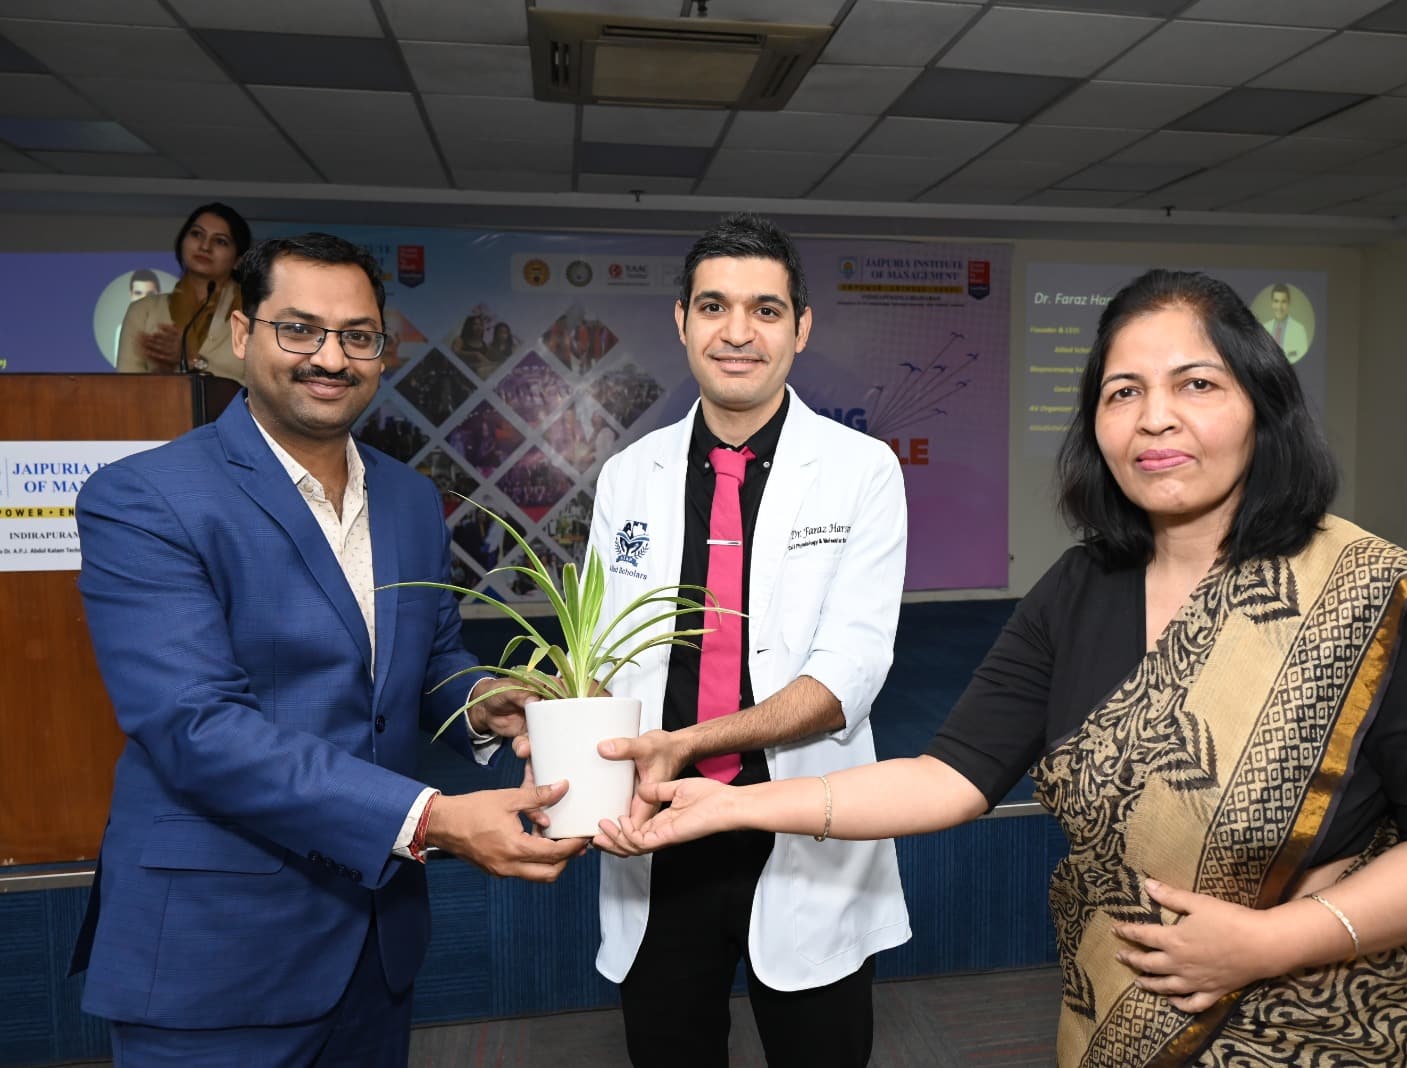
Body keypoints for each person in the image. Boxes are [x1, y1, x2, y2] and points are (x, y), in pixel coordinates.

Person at [601, 268, 1407, 1067]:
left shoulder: (1365, 595)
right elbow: (949, 777)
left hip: (1327, 1024)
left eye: (1196, 383)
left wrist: (1266, 942)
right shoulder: (1081, 586)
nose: (1154, 419)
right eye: (1122, 392)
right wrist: (735, 803)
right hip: (1115, 1013)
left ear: (1263, 406)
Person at [72, 232, 587, 1066]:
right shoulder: (146, 499)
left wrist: (484, 705)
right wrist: (433, 821)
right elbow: (196, 725)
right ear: (242, 335)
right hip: (219, 953)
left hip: (374, 943)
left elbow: (428, 663)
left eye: (357, 336)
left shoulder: (410, 496)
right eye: (299, 329)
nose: (331, 358)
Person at [552, 212, 912, 1066]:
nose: (738, 332)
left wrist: (685, 744)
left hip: (798, 820)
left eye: (766, 309)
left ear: (801, 328)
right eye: (714, 307)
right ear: (681, 321)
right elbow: (599, 654)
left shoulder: (862, 470)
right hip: (659, 824)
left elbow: (847, 679)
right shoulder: (629, 475)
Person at [117, 202, 252, 380]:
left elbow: (261, 391)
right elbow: (126, 388)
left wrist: (191, 361)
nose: (205, 246)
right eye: (197, 234)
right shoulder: (144, 311)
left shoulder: (253, 314)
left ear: (238, 260)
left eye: (220, 241)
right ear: (182, 242)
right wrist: (163, 370)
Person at [1260, 281, 1309, 361]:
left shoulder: (1299, 330)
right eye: (1276, 301)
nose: (1279, 307)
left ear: (1289, 303)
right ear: (1272, 303)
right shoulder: (1264, 328)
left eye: (1283, 302)